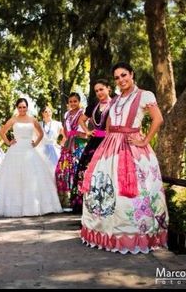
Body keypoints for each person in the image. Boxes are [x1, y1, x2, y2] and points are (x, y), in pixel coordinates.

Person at [80, 62, 168, 254]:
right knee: (104, 187)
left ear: (132, 74)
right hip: (111, 147)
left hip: (132, 145)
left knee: (131, 193)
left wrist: (145, 141)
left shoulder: (145, 95)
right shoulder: (117, 99)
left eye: (124, 75)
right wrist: (107, 143)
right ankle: (107, 234)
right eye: (117, 77)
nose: (121, 80)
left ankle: (134, 236)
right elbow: (110, 124)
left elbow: (158, 118)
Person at [0, 98, 63, 217]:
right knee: (14, 178)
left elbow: (41, 134)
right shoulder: (13, 119)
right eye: (20, 107)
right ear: (17, 108)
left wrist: (35, 143)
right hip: (16, 149)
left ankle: (37, 206)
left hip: (30, 150)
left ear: (27, 107)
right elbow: (2, 132)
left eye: (24, 107)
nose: (22, 109)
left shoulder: (32, 119)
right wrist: (8, 142)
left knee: (33, 177)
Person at [70, 80, 113, 213]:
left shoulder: (116, 103)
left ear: (108, 89)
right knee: (86, 170)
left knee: (107, 171)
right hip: (94, 141)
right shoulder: (94, 105)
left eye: (101, 89)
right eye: (97, 91)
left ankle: (106, 203)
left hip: (110, 141)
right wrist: (88, 131)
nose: (99, 92)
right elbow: (81, 120)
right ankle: (86, 204)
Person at [55, 92, 88, 210]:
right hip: (68, 145)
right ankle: (68, 200)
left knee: (77, 170)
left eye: (75, 101)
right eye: (71, 101)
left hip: (79, 145)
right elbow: (65, 130)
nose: (73, 103)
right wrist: (66, 138)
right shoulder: (67, 114)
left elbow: (85, 132)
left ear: (79, 102)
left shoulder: (83, 113)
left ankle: (80, 200)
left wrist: (76, 134)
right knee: (62, 170)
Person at [37, 105, 63, 172]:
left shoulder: (57, 124)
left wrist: (62, 145)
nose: (48, 113)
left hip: (54, 149)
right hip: (42, 150)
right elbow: (34, 137)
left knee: (55, 169)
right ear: (42, 113)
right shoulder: (38, 125)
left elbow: (64, 136)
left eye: (49, 111)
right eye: (46, 112)